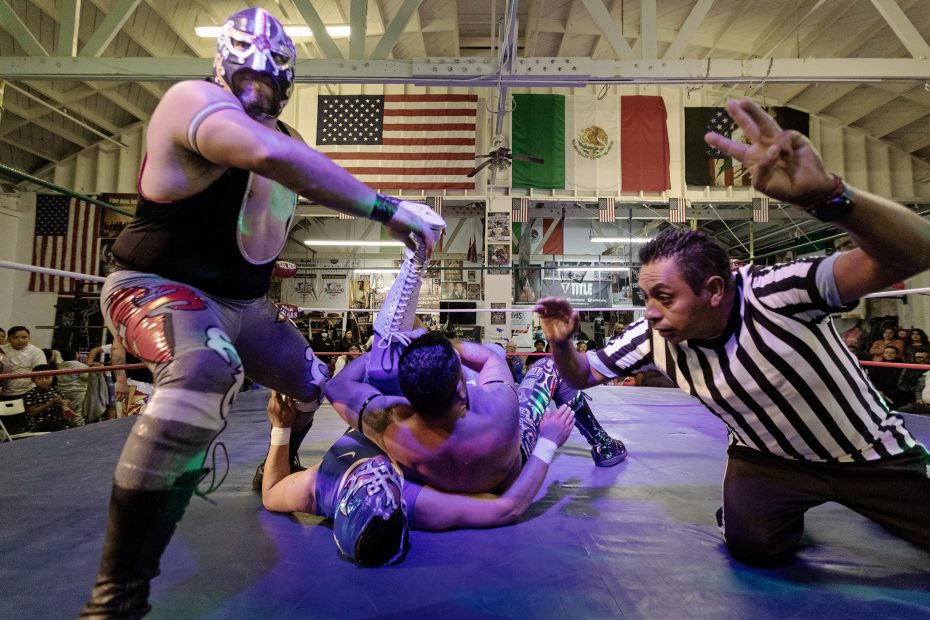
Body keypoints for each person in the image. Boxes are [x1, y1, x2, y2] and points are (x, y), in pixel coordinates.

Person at [82, 7, 443, 618]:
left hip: (245, 306)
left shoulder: (288, 142)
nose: (257, 87)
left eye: (270, 81)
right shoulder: (191, 102)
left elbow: (277, 183)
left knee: (310, 383)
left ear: (288, 84)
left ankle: (281, 454)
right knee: (204, 370)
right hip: (159, 286)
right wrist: (389, 210)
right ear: (221, 67)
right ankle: (116, 597)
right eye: (247, 75)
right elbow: (264, 156)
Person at [535, 98, 930, 568]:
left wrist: (826, 195)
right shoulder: (652, 336)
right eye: (646, 299)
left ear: (714, 289)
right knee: (754, 548)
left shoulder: (776, 292)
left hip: (867, 452)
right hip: (766, 460)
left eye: (665, 297)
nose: (652, 313)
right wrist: (560, 343)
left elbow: (916, 252)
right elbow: (582, 376)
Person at [324, 249, 626, 499]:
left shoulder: (386, 426)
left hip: (435, 473)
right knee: (549, 367)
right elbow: (489, 358)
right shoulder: (501, 407)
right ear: (460, 391)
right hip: (505, 472)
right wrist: (445, 344)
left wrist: (386, 350)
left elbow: (337, 386)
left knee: (407, 347)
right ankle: (601, 442)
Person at [260, 390, 575, 564]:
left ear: (344, 502)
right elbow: (509, 507)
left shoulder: (321, 485)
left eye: (366, 487)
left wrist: (281, 427)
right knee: (547, 371)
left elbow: (271, 492)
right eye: (388, 492)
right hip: (495, 441)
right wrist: (548, 441)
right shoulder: (416, 504)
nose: (378, 475)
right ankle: (599, 439)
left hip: (439, 401)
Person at [22, 364, 73, 432]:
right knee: (62, 428)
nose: (44, 380)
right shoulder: (30, 394)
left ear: (52, 377)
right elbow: (32, 412)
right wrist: (50, 403)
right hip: (39, 423)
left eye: (47, 377)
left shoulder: (55, 389)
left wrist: (63, 402)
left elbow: (67, 401)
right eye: (39, 378)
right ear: (33, 380)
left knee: (75, 427)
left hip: (58, 420)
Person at [56, 349, 89, 425]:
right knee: (78, 411)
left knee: (67, 411)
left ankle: (69, 427)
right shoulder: (81, 366)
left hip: (63, 391)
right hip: (78, 391)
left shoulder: (59, 365)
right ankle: (79, 427)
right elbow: (87, 378)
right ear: (76, 355)